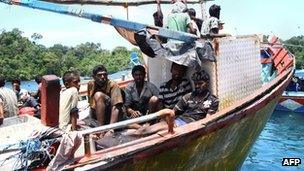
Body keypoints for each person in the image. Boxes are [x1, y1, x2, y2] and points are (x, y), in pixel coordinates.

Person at [134, 70, 219, 135]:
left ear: (207, 83)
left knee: (148, 132)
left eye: (200, 84)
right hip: (178, 122)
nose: (197, 86)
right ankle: (129, 134)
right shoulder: (188, 96)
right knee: (147, 131)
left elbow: (208, 120)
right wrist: (168, 121)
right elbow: (173, 111)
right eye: (195, 84)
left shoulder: (213, 100)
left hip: (191, 126)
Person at [88, 65, 124, 136]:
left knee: (98, 95)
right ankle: (100, 127)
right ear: (94, 77)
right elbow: (91, 103)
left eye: (104, 74)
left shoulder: (113, 85)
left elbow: (116, 107)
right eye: (99, 75)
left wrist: (111, 129)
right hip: (98, 114)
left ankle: (102, 129)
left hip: (111, 113)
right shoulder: (91, 84)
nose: (102, 77)